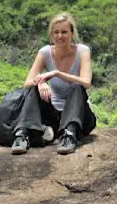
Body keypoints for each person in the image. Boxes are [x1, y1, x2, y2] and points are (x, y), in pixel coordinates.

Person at [11, 13, 95, 156]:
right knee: (32, 88)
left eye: (64, 32)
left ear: (72, 33)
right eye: (56, 32)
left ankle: (69, 135)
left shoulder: (83, 51)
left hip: (79, 116)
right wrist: (40, 82)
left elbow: (86, 83)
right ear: (51, 35)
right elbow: (27, 83)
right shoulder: (45, 52)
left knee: (76, 86)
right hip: (54, 116)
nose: (60, 36)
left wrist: (56, 73)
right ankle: (22, 135)